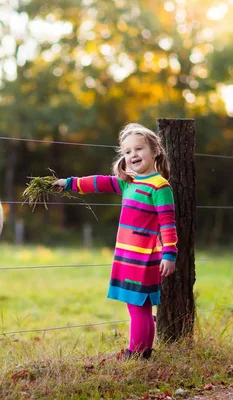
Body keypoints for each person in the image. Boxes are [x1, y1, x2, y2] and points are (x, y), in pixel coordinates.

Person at [54, 122, 177, 360]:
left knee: (137, 307)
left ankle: (137, 353)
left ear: (155, 152)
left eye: (139, 149)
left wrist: (170, 253)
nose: (133, 155)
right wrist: (69, 183)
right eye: (128, 151)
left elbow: (167, 223)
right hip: (128, 256)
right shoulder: (129, 182)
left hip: (144, 258)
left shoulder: (160, 187)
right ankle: (144, 353)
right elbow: (99, 182)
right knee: (141, 306)